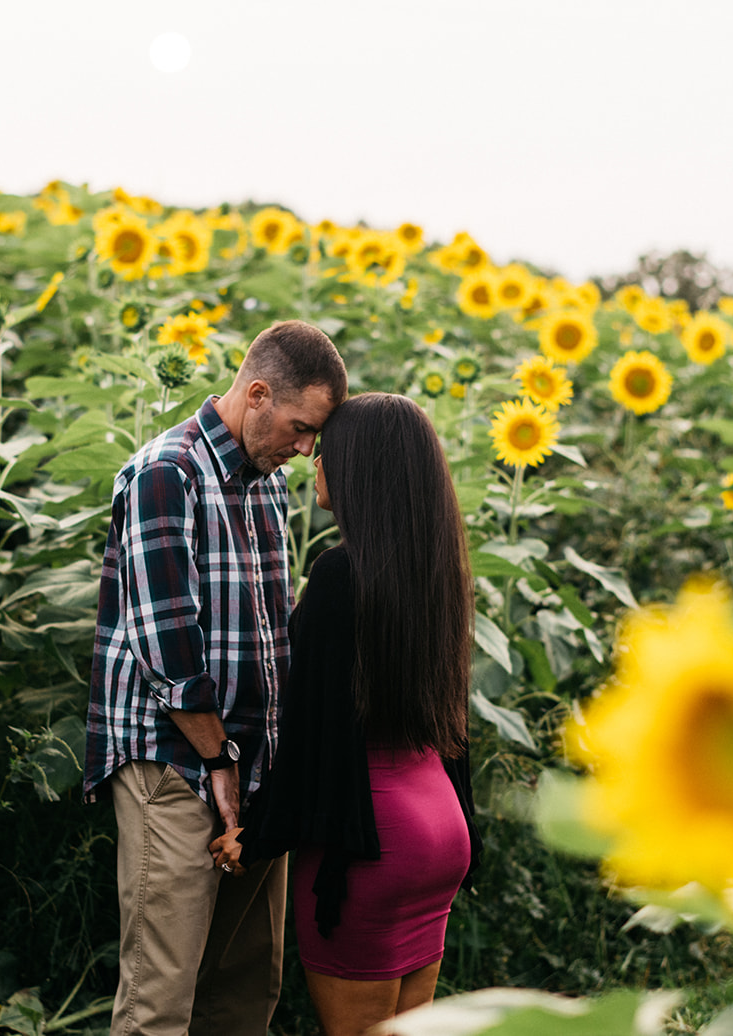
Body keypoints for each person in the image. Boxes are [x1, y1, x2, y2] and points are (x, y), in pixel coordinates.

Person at [85, 319, 348, 1036]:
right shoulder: (166, 472)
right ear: (257, 394)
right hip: (174, 765)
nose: (302, 450)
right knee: (159, 999)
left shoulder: (265, 485)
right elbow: (167, 645)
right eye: (298, 428)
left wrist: (264, 766)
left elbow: (269, 633)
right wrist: (216, 760)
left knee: (243, 991)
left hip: (253, 766)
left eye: (311, 439)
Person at [210, 392, 481, 1036]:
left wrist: (258, 837)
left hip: (373, 844)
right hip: (439, 829)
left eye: (325, 451)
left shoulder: (340, 576)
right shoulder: (436, 572)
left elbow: (315, 733)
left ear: (359, 468)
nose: (312, 462)